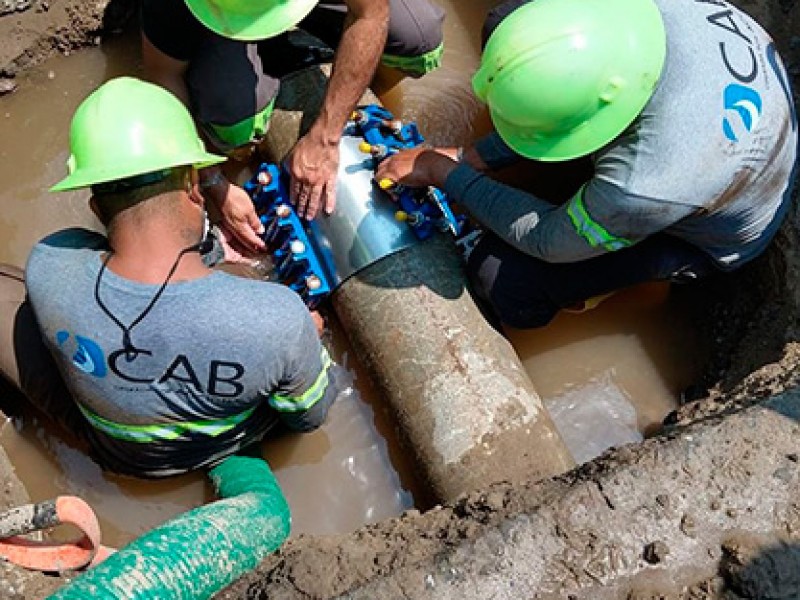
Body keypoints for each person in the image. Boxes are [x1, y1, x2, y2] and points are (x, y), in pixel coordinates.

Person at [375, 0, 798, 329]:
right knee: (510, 20)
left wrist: (445, 173)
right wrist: (474, 156)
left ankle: (607, 284)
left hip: (698, 237)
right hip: (701, 125)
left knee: (504, 280)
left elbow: (548, 239)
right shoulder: (634, 15)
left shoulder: (645, 183)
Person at [0, 77, 336, 478]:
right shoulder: (277, 318)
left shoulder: (52, 262)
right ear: (195, 188)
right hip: (227, 444)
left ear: (94, 204)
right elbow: (309, 419)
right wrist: (308, 338)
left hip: (117, 452)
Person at [141, 0, 445, 254]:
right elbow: (163, 76)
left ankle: (355, 76)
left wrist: (326, 136)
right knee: (234, 123)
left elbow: (372, 12)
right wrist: (213, 181)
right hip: (220, 13)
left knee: (419, 40)